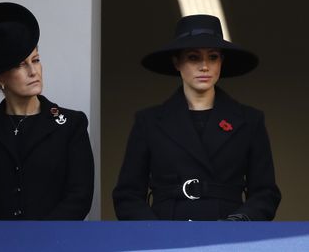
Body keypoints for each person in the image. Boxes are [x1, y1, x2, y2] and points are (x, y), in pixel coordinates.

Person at [113, 14, 281, 221]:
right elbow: (127, 195)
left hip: (228, 237)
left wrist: (239, 222)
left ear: (222, 62)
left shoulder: (250, 120)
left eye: (213, 57)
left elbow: (265, 193)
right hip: (166, 237)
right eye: (193, 57)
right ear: (177, 62)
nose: (204, 66)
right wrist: (154, 232)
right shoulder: (148, 122)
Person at [0, 0, 94, 220]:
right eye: (20, 64)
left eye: (36, 60)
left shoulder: (71, 123)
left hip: (50, 244)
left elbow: (79, 198)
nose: (34, 71)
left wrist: (38, 239)